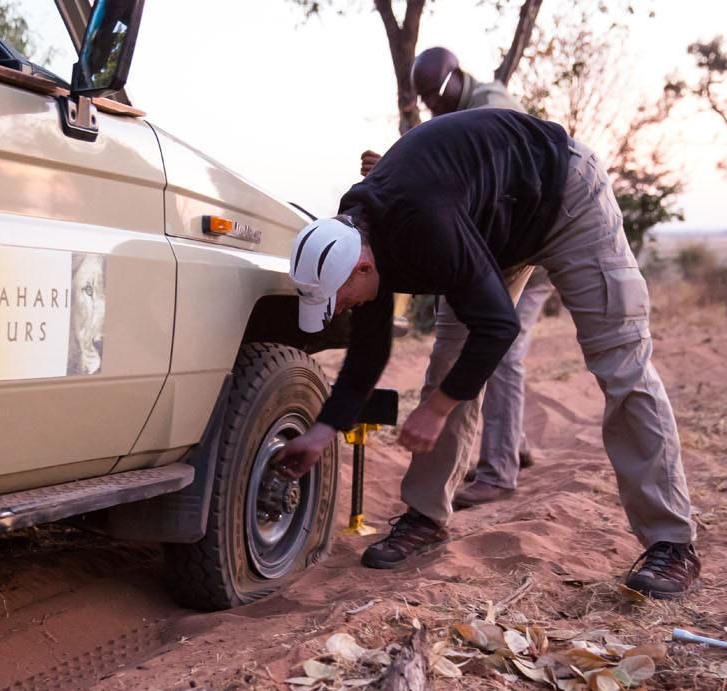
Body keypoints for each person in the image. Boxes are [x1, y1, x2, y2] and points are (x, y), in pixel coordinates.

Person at [278, 108, 701, 599]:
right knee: (447, 368)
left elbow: (499, 328)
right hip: (489, 228)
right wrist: (324, 430)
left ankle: (673, 543)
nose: (341, 309)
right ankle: (426, 516)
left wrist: (436, 412)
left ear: (364, 266)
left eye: (341, 299)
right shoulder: (357, 236)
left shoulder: (423, 226)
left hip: (563, 194)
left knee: (621, 364)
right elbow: (369, 351)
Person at [364, 46, 551, 509]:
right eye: (422, 98)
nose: (429, 105)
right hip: (490, 246)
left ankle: (499, 471)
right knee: (486, 341)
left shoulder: (490, 102)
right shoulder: (446, 115)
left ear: (453, 80)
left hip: (533, 244)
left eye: (432, 94)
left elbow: (492, 160)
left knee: (496, 344)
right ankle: (513, 444)